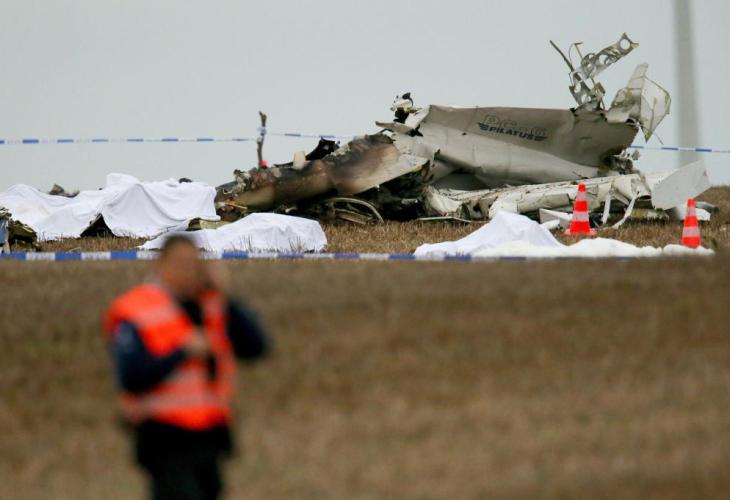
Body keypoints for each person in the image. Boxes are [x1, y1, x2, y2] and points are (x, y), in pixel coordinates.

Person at [104, 235, 269, 500]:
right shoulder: (137, 310)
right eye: (180, 264)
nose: (188, 272)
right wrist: (181, 353)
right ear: (159, 265)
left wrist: (226, 296)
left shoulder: (212, 307)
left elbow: (256, 347)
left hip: (208, 435)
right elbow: (132, 376)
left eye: (194, 264)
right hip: (163, 436)